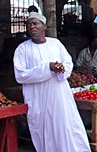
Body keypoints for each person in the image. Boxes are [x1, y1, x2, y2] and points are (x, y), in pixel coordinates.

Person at [13, 12, 90, 152]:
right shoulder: (22, 49)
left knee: (65, 126)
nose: (32, 27)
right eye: (29, 24)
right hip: (37, 98)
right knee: (44, 130)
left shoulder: (55, 44)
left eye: (35, 23)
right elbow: (21, 75)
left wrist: (61, 69)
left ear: (44, 27)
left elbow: (68, 63)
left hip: (59, 95)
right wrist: (47, 68)